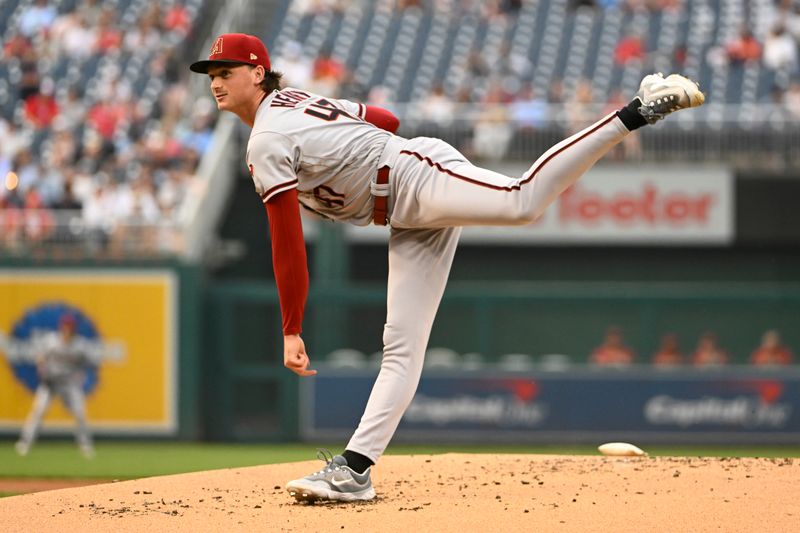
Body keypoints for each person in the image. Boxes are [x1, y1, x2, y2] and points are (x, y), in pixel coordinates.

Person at [189, 33, 705, 502]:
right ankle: (355, 469)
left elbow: (286, 238)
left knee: (520, 202)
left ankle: (636, 111)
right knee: (402, 345)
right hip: (402, 210)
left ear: (257, 72)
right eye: (212, 76)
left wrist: (291, 328)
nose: (216, 83)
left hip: (413, 178)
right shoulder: (299, 102)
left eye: (226, 72)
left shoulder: (265, 139)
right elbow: (385, 118)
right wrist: (348, 147)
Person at [15, 313, 97, 458]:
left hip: (69, 383)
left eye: (70, 327)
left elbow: (87, 363)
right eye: (65, 326)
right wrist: (42, 369)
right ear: (61, 327)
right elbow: (40, 357)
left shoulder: (79, 345)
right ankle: (25, 442)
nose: (67, 329)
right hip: (50, 382)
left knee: (80, 413)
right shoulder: (51, 341)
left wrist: (81, 375)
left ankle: (85, 444)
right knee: (38, 411)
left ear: (74, 328)